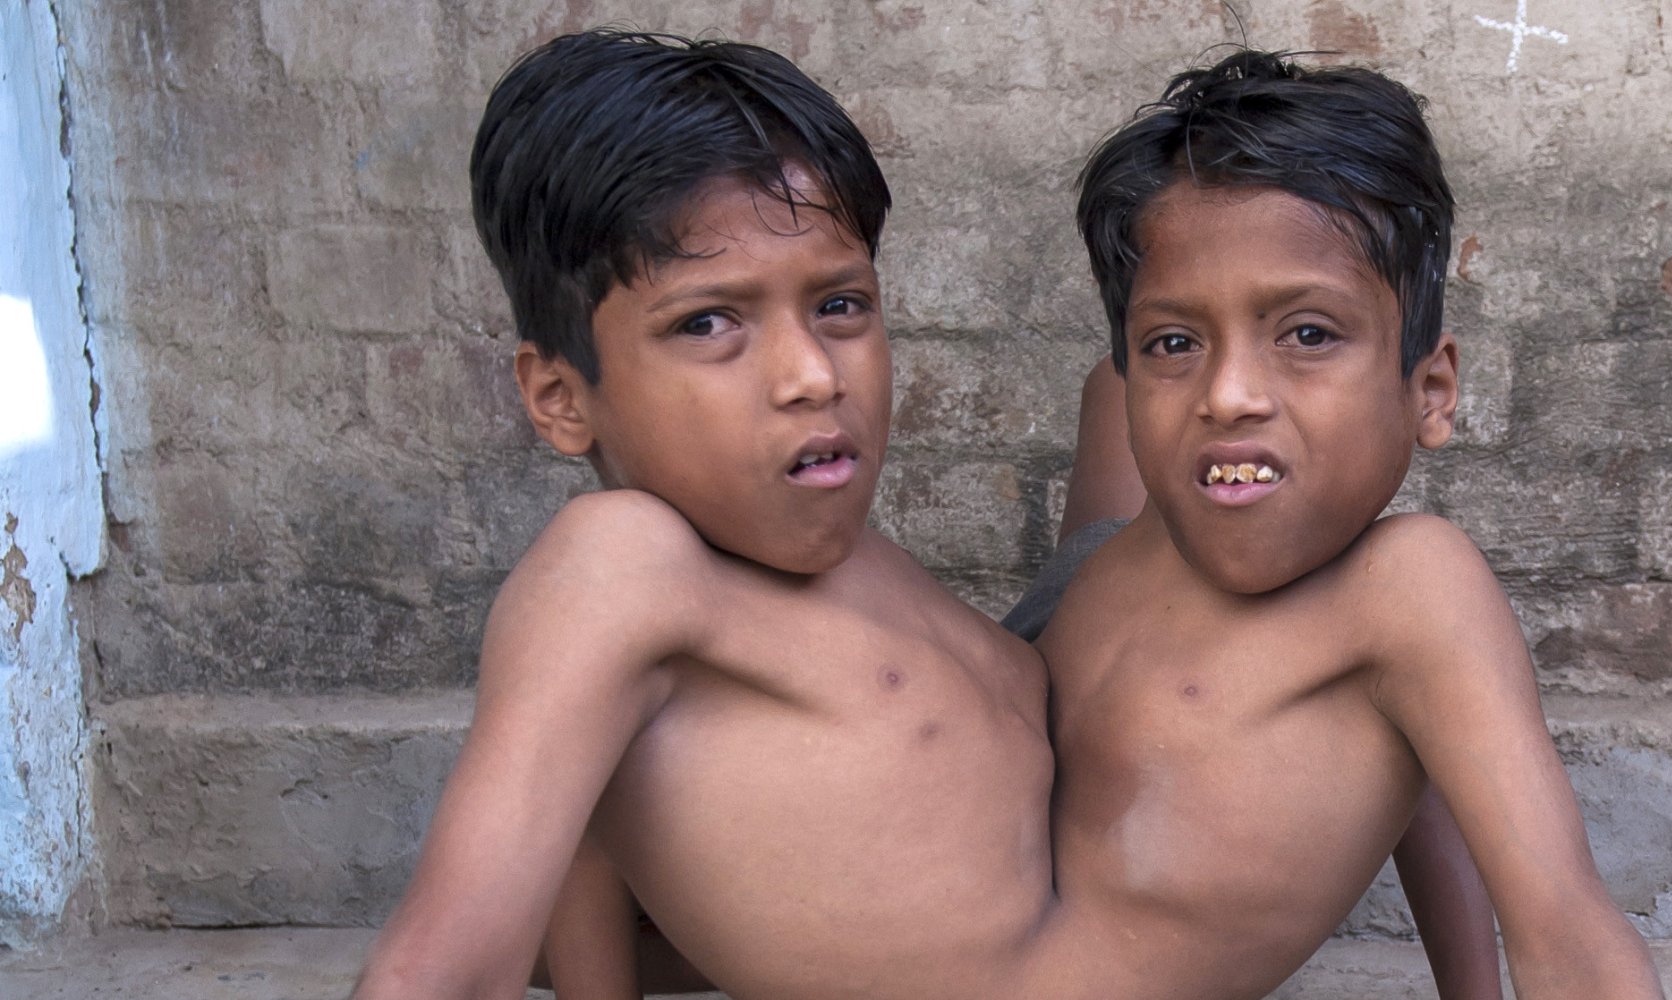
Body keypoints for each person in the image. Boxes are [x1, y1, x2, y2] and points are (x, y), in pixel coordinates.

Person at [355, 29, 1499, 1000]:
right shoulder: (618, 567)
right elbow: (446, 962)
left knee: (1151, 419)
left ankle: (1159, 372)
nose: (808, 373)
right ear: (562, 398)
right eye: (709, 323)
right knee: (1331, 549)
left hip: (1075, 627)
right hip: (1075, 697)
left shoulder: (779, 587)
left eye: (841, 303)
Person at [1005, 50, 1664, 1000]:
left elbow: (1566, 926)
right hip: (1084, 590)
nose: (1232, 392)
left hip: (1112, 612)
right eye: (1176, 340)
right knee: (1121, 411)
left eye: (1309, 332)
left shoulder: (1411, 591)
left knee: (1408, 635)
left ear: (1431, 391)